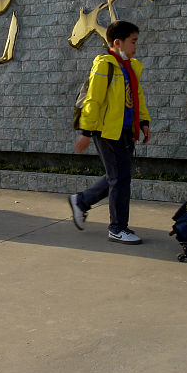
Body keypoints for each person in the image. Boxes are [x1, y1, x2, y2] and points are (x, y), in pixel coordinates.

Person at [67, 20, 151, 244]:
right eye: (132, 42)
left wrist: (144, 122)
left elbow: (137, 97)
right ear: (117, 42)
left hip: (124, 130)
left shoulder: (130, 67)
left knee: (118, 176)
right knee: (120, 178)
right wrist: (86, 131)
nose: (135, 46)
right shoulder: (105, 65)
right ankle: (117, 227)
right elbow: (93, 100)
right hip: (105, 131)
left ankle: (82, 201)